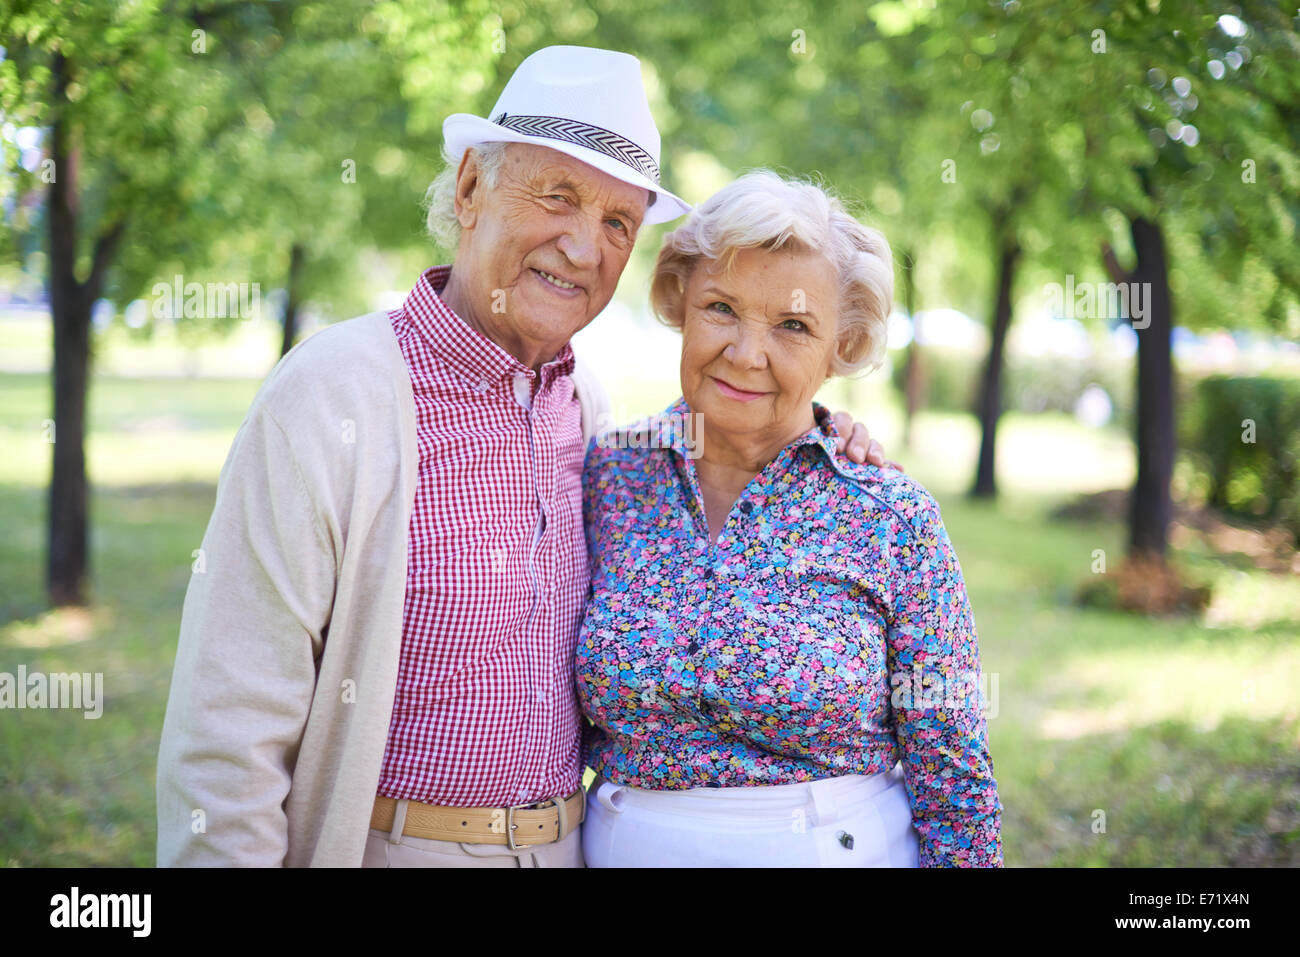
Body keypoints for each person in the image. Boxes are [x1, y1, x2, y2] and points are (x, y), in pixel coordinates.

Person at [155, 46, 887, 868]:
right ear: (470, 189)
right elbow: (226, 738)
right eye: (558, 197)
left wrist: (826, 432)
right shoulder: (333, 396)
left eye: (617, 222)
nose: (583, 247)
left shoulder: (590, 418)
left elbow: (742, 431)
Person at [577, 170, 1003, 867]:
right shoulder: (609, 476)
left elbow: (953, 777)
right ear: (681, 299)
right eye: (721, 308)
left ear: (843, 345)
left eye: (794, 325)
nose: (746, 354)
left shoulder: (891, 516)